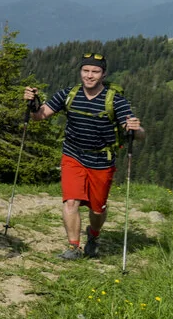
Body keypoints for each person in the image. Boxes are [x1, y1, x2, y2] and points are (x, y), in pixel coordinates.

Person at [24, 53, 143, 260]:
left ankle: (94, 235)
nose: (89, 75)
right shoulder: (68, 94)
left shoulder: (115, 100)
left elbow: (137, 133)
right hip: (72, 155)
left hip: (102, 161)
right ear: (80, 72)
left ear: (103, 74)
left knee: (97, 210)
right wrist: (33, 102)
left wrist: (137, 129)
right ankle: (74, 247)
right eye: (86, 70)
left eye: (95, 71)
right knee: (71, 202)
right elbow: (39, 116)